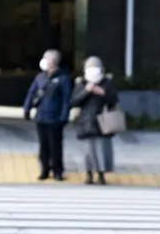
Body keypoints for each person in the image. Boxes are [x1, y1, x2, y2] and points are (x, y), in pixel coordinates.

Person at [23, 49, 72, 181]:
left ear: (53, 62)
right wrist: (27, 109)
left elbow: (66, 99)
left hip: (55, 117)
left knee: (55, 145)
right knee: (43, 145)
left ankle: (57, 170)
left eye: (46, 58)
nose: (43, 61)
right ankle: (44, 169)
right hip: (41, 116)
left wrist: (64, 116)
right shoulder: (40, 77)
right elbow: (31, 93)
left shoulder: (63, 78)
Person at [72, 56, 121, 185]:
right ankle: (89, 174)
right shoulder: (81, 83)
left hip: (102, 121)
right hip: (86, 121)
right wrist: (86, 91)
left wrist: (103, 93)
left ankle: (101, 174)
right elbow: (74, 101)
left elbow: (114, 100)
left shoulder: (106, 83)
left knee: (101, 149)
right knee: (88, 150)